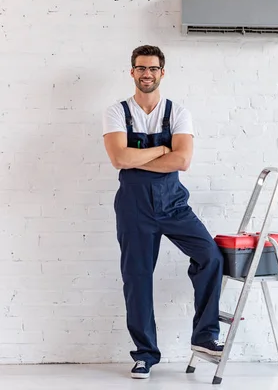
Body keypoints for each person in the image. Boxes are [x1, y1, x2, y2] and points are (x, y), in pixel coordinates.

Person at [102, 45, 224, 380]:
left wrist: (140, 155)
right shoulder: (117, 112)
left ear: (162, 73)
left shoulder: (178, 112)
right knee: (137, 279)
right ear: (132, 72)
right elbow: (119, 159)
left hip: (173, 204)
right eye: (141, 68)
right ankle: (144, 355)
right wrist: (161, 149)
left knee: (210, 256)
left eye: (153, 69)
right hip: (134, 208)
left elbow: (182, 161)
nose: (146, 74)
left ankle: (204, 337)